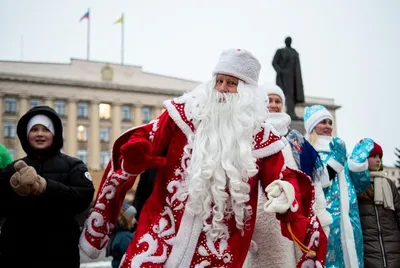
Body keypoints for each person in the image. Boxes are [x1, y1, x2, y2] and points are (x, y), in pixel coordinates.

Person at [80, 49, 327, 267]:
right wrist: (138, 151)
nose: (221, 88)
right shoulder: (182, 115)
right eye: (218, 80)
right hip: (159, 235)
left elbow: (285, 179)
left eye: (231, 83)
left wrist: (286, 191)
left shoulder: (263, 139)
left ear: (247, 93)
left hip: (220, 250)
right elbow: (144, 138)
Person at [244, 85, 331, 268]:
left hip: (297, 213)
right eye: (269, 101)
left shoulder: (296, 139)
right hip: (264, 214)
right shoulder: (249, 135)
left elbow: (312, 182)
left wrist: (321, 217)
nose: (274, 105)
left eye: (278, 101)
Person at [0, 106, 95, 268]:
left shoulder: (74, 165)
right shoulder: (13, 168)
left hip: (59, 253)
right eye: (34, 129)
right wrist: (13, 189)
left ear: (55, 134)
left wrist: (46, 186)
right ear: (26, 135)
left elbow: (82, 198)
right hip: (16, 251)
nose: (39, 134)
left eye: (45, 129)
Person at [304, 104, 374, 268]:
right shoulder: (309, 152)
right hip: (327, 223)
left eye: (330, 122)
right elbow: (316, 184)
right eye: (323, 122)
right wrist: (337, 161)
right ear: (313, 126)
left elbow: (360, 187)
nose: (328, 126)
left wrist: (358, 165)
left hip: (351, 223)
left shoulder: (341, 150)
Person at [357, 141, 400, 268]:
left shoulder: (388, 183)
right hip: (368, 248)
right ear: (364, 157)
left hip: (393, 246)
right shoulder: (356, 185)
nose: (377, 160)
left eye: (379, 157)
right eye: (373, 156)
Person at [272, 37, 305, 120]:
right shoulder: (280, 51)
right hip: (283, 77)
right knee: (286, 94)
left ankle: (291, 112)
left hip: (294, 77)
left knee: (293, 95)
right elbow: (274, 62)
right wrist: (280, 71)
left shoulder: (294, 52)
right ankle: (288, 112)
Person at [106, 201, 136, 268]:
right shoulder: (124, 237)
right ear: (125, 219)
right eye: (132, 217)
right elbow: (133, 255)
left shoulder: (119, 234)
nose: (134, 220)